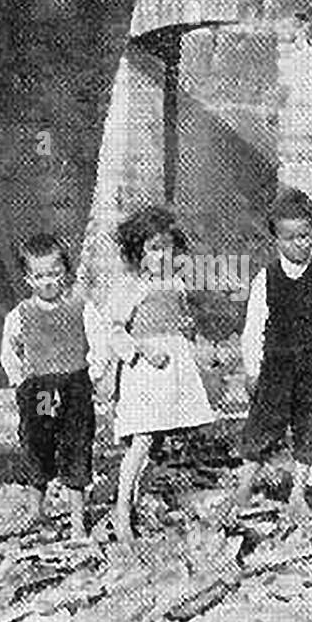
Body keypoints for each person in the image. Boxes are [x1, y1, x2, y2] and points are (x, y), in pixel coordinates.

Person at [233, 187, 312, 519]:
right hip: (276, 365)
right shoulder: (265, 279)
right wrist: (251, 368)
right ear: (276, 240)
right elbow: (254, 327)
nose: (299, 244)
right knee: (262, 427)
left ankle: (298, 492)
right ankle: (244, 486)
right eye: (289, 238)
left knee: (309, 430)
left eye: (305, 236)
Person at [106, 206, 218, 543]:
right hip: (146, 371)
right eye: (154, 249)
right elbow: (114, 331)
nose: (161, 256)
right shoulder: (131, 287)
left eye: (167, 248)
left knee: (157, 438)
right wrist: (140, 349)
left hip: (173, 370)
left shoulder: (176, 284)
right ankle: (121, 509)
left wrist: (191, 336)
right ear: (137, 251)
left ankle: (142, 501)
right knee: (141, 439)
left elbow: (181, 322)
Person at [0, 233, 107, 541]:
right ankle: (37, 512)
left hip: (73, 387)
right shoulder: (20, 314)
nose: (47, 282)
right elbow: (10, 351)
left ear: (66, 273)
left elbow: (99, 343)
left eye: (54, 274)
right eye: (39, 276)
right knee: (40, 442)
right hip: (43, 390)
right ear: (28, 278)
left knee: (76, 446)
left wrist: (95, 375)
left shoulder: (80, 308)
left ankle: (76, 520)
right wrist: (20, 381)